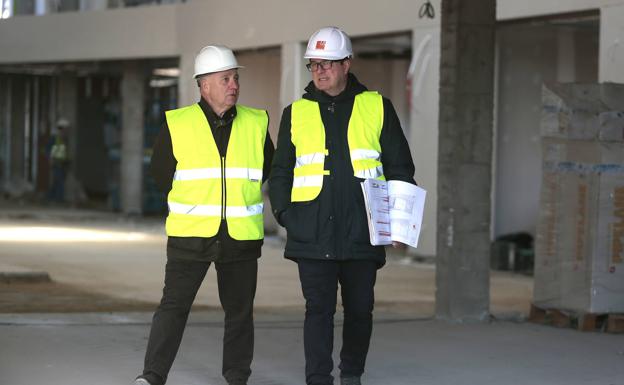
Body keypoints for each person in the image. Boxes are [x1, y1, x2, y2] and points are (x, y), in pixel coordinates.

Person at [269, 27, 416, 385]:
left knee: (360, 311)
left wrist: (398, 224)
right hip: (312, 231)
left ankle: (351, 374)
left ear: (347, 64)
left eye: (328, 64)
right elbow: (281, 172)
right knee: (317, 310)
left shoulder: (377, 107)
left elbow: (400, 167)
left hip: (362, 230)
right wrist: (287, 216)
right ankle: (318, 378)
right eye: (314, 65)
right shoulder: (295, 113)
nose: (319, 71)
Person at [135, 45, 274, 385]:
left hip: (239, 235)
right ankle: (152, 376)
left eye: (236, 78)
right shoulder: (178, 123)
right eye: (226, 78)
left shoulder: (256, 123)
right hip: (191, 234)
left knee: (240, 314)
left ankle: (237, 376)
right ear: (204, 84)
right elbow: (160, 174)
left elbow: (265, 167)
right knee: (173, 308)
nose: (234, 85)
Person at [47, 119, 69, 203]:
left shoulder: (63, 138)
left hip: (62, 163)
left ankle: (50, 197)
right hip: (56, 162)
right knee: (60, 182)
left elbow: (63, 151)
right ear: (62, 128)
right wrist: (51, 159)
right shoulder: (55, 137)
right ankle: (59, 200)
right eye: (66, 128)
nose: (67, 130)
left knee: (57, 182)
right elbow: (49, 149)